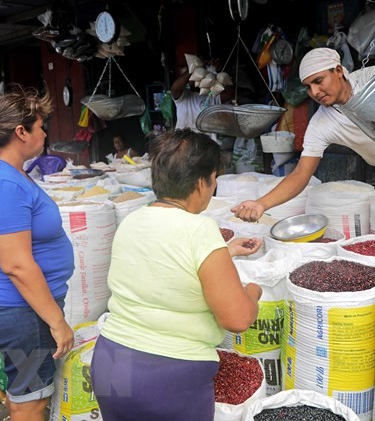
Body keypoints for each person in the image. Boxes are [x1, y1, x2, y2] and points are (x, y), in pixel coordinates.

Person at [91, 129, 263, 420]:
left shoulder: (132, 220)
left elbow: (165, 264)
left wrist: (224, 252)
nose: (214, 185)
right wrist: (253, 292)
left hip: (110, 362)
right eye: (214, 178)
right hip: (167, 379)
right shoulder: (200, 230)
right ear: (200, 183)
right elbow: (238, 319)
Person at [0, 88, 74, 421]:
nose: (44, 134)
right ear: (21, 132)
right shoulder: (1, 185)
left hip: (25, 308)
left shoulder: (8, 173)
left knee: (27, 392)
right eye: (40, 127)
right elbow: (17, 265)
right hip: (21, 311)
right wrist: (57, 322)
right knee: (32, 400)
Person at [232, 47, 375, 222]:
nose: (314, 92)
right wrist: (262, 203)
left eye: (318, 81)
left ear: (338, 71)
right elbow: (300, 175)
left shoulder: (372, 79)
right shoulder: (321, 124)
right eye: (308, 87)